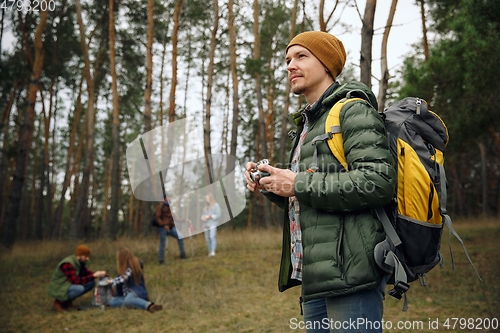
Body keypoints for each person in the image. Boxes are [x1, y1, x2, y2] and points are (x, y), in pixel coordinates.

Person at [245, 31, 396, 333]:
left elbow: (378, 182)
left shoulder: (352, 110)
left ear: (327, 65)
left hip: (351, 275)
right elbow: (311, 195)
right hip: (314, 276)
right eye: (287, 59)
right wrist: (274, 184)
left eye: (301, 57)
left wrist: (297, 183)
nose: (290, 65)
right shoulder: (308, 125)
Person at [48, 244, 107, 312]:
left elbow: (87, 272)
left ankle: (67, 302)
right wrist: (93, 276)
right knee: (79, 289)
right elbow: (76, 281)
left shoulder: (79, 262)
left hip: (67, 284)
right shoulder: (67, 264)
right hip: (60, 287)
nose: (87, 258)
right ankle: (58, 303)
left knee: (91, 283)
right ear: (79, 255)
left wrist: (98, 274)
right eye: (86, 256)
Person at [108, 247, 162, 312]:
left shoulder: (132, 267)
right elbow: (119, 289)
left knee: (128, 300)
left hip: (136, 292)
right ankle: (135, 304)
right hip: (126, 295)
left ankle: (149, 306)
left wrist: (111, 281)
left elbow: (124, 277)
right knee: (112, 302)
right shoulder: (122, 272)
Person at [156, 193, 189, 263]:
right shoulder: (160, 206)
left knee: (180, 236)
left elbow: (175, 218)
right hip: (163, 228)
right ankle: (161, 260)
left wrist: (184, 220)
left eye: (170, 197)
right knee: (163, 243)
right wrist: (163, 225)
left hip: (171, 227)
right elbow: (157, 218)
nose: (170, 198)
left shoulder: (170, 207)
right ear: (165, 198)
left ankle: (182, 255)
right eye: (168, 197)